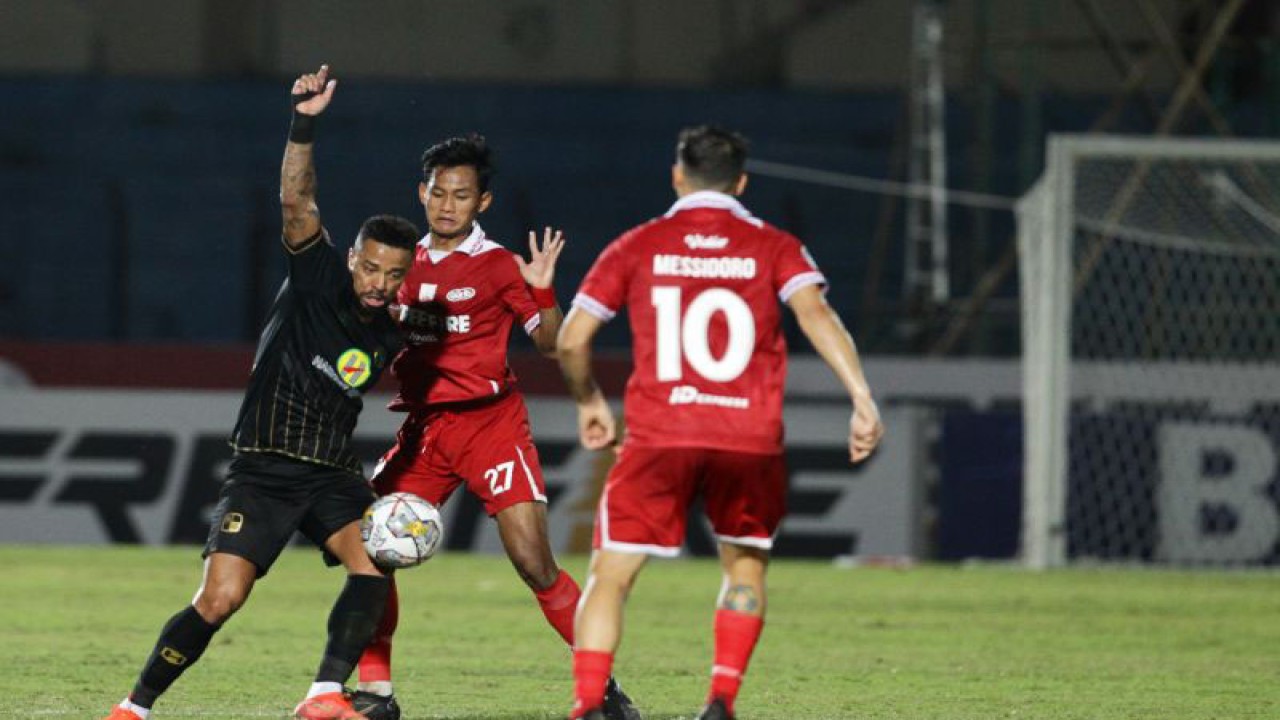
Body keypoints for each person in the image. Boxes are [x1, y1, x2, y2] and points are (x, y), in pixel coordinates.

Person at [101, 65, 418, 720]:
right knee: (220, 599)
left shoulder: (395, 328)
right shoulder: (318, 274)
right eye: (371, 265)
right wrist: (304, 123)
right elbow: (297, 203)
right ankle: (135, 707)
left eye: (394, 274)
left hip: (330, 473)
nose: (379, 282)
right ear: (353, 257)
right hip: (265, 468)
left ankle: (324, 695)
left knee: (375, 565)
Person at [556, 125, 885, 720]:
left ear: (677, 175)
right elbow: (816, 314)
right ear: (741, 182)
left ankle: (586, 705)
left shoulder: (638, 243)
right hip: (748, 437)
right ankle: (721, 701)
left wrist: (588, 402)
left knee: (612, 572)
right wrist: (862, 397)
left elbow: (573, 339)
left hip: (661, 434)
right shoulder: (774, 244)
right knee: (745, 564)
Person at [349, 133, 638, 720]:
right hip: (426, 432)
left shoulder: (500, 265)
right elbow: (380, 329)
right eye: (437, 193)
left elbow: (552, 343)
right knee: (370, 554)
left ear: (482, 203)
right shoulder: (400, 262)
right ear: (421, 194)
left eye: (461, 195)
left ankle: (602, 691)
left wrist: (542, 289)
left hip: (490, 426)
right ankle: (376, 694)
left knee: (534, 561)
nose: (447, 205)